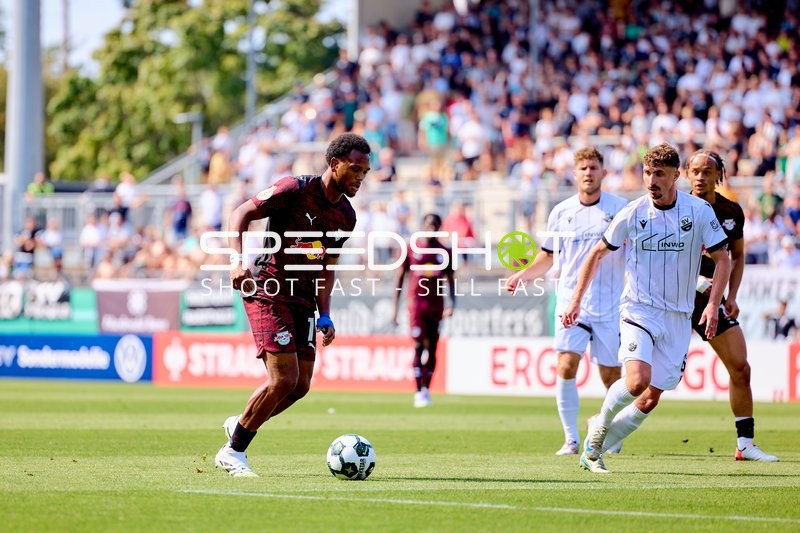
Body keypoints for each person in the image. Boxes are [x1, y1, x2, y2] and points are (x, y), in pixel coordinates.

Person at [562, 143, 731, 474]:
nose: (651, 181)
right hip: (638, 310)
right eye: (647, 173)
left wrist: (712, 305)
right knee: (637, 381)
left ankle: (598, 434)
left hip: (679, 316)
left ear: (675, 176)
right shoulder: (633, 212)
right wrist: (575, 300)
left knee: (650, 397)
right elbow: (596, 253)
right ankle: (596, 440)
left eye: (659, 174)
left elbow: (723, 259)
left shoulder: (697, 212)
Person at [215, 133, 371, 477]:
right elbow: (241, 213)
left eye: (366, 172)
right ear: (335, 164)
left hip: (303, 299)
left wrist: (326, 312)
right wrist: (236, 260)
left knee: (300, 386)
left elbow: (327, 267)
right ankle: (233, 451)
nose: (361, 177)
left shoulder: (346, 215)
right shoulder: (294, 189)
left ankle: (241, 424)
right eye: (356, 169)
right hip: (268, 288)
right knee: (283, 379)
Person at [505, 147, 627, 455]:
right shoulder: (561, 212)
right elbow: (548, 256)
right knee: (566, 364)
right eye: (583, 168)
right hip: (571, 302)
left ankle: (609, 430)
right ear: (574, 174)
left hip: (610, 304)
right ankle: (571, 438)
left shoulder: (621, 209)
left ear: (604, 173)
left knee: (611, 375)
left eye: (593, 167)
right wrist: (523, 275)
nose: (588, 172)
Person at [687, 149, 779, 461]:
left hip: (712, 303)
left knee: (740, 367)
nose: (700, 177)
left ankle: (746, 444)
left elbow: (737, 256)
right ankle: (606, 427)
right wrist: (701, 283)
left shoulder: (731, 211)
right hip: (674, 301)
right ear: (686, 174)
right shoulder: (675, 208)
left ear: (718, 175)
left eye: (707, 171)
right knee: (652, 383)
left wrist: (732, 296)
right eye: (695, 171)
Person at [392, 213, 456, 408]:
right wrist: (395, 308)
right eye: (429, 225)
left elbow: (451, 280)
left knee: (433, 349)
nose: (433, 228)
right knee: (418, 346)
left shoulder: (445, 251)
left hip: (436, 306)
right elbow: (400, 278)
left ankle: (426, 388)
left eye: (436, 225)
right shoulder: (412, 248)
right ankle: (419, 390)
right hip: (416, 306)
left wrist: (453, 303)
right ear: (422, 226)